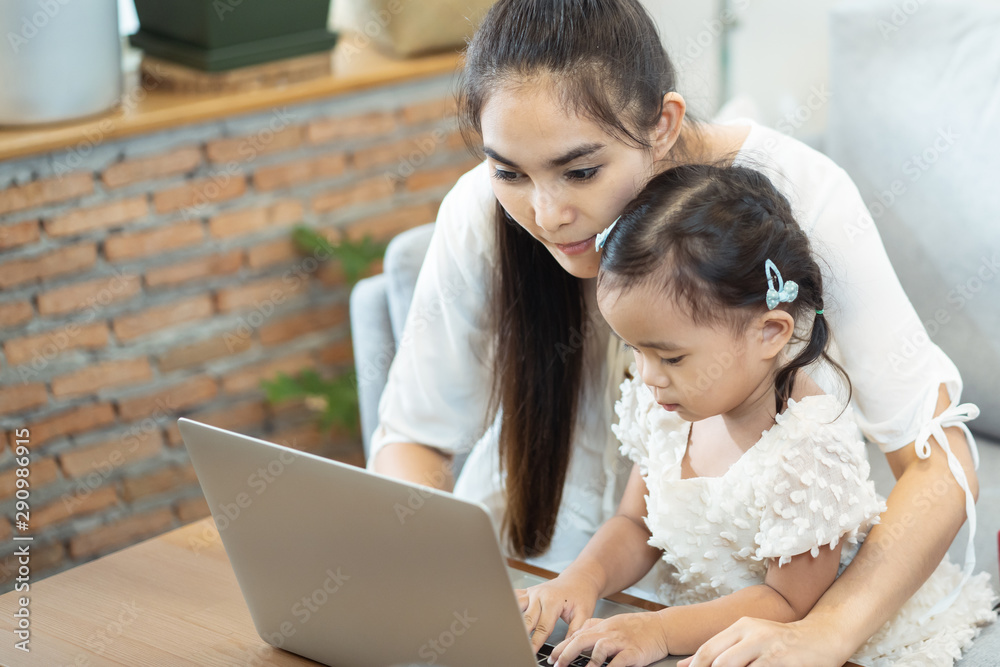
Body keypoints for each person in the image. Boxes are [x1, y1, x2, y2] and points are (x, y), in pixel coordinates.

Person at [368, 0, 994, 663]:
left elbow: (939, 463)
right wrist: (444, 592)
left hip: (735, 608)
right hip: (539, 581)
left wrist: (823, 631)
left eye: (581, 170)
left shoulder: (798, 195)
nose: (547, 214)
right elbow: (413, 437)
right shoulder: (480, 211)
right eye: (509, 172)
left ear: (663, 123)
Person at [524, 163, 998, 667]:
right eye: (633, 349)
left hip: (805, 635)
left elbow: (790, 604)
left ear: (770, 332)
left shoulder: (806, 450)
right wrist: (582, 578)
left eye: (671, 357)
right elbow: (635, 523)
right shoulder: (670, 404)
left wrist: (658, 630)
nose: (647, 376)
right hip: (708, 623)